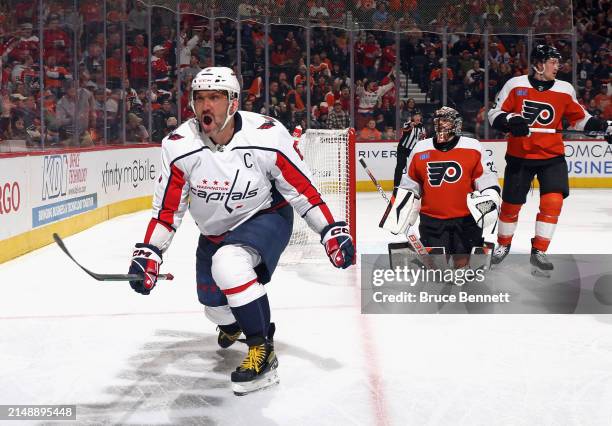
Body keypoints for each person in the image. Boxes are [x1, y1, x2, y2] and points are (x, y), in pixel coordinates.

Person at [127, 67, 355, 395]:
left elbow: (301, 190)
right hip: (214, 232)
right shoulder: (178, 146)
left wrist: (330, 230)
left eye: (215, 98)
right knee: (212, 307)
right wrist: (149, 253)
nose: (207, 106)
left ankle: (262, 349)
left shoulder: (267, 135)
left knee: (229, 265)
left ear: (233, 103)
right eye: (200, 98)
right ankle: (234, 324)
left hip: (266, 217)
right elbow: (167, 211)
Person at [487, 44, 612, 275]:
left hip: (552, 156)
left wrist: (604, 127)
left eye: (558, 62)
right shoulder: (515, 85)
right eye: (553, 62)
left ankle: (540, 250)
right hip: (520, 156)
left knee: (553, 202)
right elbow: (494, 114)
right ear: (538, 65)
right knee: (511, 205)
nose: (558, 66)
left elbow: (580, 119)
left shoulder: (564, 89)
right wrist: (512, 119)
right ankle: (503, 244)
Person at [381, 107, 500, 266]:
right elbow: (410, 184)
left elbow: (487, 178)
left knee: (464, 269)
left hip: (466, 221)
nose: (440, 124)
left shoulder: (473, 146)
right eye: (438, 120)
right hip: (432, 222)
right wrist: (401, 209)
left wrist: (490, 198)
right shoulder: (420, 148)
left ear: (456, 124)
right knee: (435, 271)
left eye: (445, 120)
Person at [393, 111, 426, 193]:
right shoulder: (408, 124)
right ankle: (396, 185)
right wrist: (410, 126)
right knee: (400, 165)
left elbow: (423, 139)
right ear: (412, 117)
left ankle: (417, 185)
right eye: (416, 116)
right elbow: (405, 131)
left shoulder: (422, 127)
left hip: (413, 150)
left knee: (417, 167)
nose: (418, 117)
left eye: (419, 116)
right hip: (403, 148)